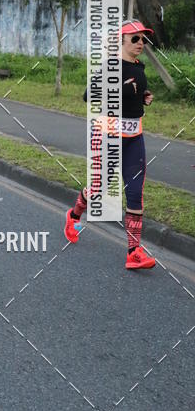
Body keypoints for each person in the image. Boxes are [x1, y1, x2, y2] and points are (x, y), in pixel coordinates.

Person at [64, 19, 157, 270]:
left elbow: (137, 93)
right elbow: (88, 95)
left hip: (135, 139)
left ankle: (133, 251)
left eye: (143, 39)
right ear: (121, 42)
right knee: (99, 189)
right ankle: (73, 216)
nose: (141, 43)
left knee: (136, 193)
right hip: (109, 138)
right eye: (135, 39)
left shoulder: (140, 67)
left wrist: (144, 97)